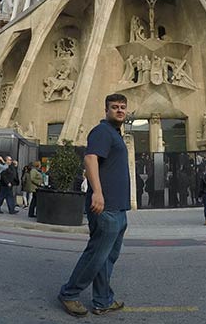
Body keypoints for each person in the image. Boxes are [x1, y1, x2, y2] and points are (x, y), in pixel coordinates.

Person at [59, 93, 130, 317]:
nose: (119, 110)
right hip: (105, 207)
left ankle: (102, 300)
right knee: (96, 255)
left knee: (108, 257)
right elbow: (90, 159)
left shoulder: (115, 134)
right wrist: (97, 192)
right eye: (114, 107)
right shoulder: (102, 131)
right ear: (106, 110)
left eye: (122, 107)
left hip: (118, 208)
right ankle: (69, 293)